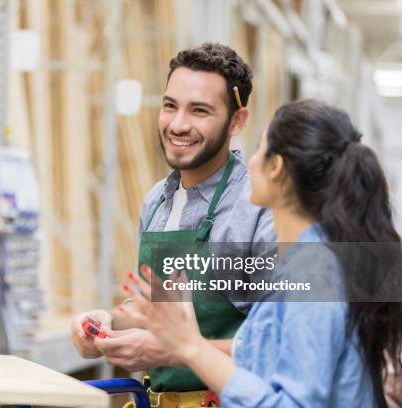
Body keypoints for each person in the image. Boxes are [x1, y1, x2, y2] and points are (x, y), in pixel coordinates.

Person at [123, 99, 402, 407]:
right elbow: (258, 350)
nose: (250, 162)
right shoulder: (303, 264)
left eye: (259, 149)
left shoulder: (314, 274)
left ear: (277, 167)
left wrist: (191, 347)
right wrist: (183, 338)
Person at [71, 43, 276, 404]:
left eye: (199, 111)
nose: (178, 124)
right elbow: (164, 310)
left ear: (236, 122)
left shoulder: (258, 207)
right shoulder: (157, 201)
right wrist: (107, 322)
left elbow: (279, 347)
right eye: (170, 106)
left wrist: (176, 351)